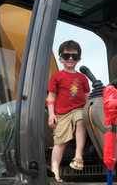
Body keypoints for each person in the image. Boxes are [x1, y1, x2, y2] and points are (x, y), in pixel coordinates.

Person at [46, 40, 90, 182]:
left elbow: (87, 96)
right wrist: (51, 114)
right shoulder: (57, 77)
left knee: (80, 118)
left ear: (79, 59)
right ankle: (55, 172)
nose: (70, 59)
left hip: (78, 109)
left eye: (74, 56)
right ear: (60, 58)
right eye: (66, 56)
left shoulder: (82, 78)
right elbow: (51, 96)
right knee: (60, 142)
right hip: (61, 113)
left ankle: (78, 156)